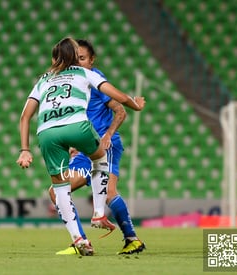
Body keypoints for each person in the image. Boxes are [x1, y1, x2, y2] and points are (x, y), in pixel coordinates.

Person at [16, 37, 145, 256]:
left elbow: (120, 110)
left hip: (104, 143)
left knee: (110, 192)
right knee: (55, 192)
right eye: (76, 57)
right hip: (83, 142)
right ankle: (81, 239)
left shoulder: (93, 78)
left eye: (82, 57)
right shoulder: (74, 77)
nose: (78, 60)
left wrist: (108, 135)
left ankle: (132, 239)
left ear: (91, 60)